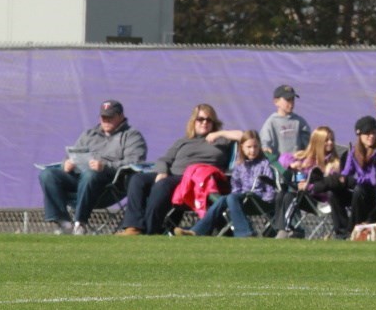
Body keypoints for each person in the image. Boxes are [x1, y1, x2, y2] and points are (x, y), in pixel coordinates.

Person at [116, 104, 236, 235]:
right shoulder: (183, 141)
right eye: (200, 119)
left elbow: (244, 136)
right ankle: (133, 227)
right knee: (137, 180)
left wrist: (219, 133)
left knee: (162, 185)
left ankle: (151, 231)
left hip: (194, 179)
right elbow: (165, 159)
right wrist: (162, 171)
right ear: (193, 121)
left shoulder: (222, 141)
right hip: (172, 174)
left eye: (209, 120)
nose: (204, 122)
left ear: (214, 122)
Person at [38, 99, 148, 235]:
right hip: (79, 180)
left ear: (120, 116)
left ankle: (80, 223)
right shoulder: (89, 134)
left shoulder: (132, 136)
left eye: (110, 117)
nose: (106, 121)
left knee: (91, 173)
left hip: (109, 186)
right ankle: (63, 223)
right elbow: (70, 155)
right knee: (48, 174)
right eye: (103, 117)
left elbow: (135, 162)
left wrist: (105, 166)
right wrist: (66, 163)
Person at [177, 130, 277, 237]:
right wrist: (240, 197)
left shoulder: (264, 164)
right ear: (242, 147)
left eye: (255, 147)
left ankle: (244, 232)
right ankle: (195, 231)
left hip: (260, 200)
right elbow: (236, 187)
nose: (252, 150)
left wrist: (265, 198)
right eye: (249, 147)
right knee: (223, 199)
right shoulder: (239, 166)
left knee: (231, 198)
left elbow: (270, 187)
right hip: (243, 199)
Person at [273, 126, 344, 239]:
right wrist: (293, 164)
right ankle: (286, 229)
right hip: (303, 196)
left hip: (320, 201)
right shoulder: (304, 157)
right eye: (327, 140)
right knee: (284, 195)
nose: (330, 143)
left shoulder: (333, 163)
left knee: (292, 196)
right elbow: (282, 158)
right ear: (317, 142)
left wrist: (309, 186)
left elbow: (329, 185)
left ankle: (284, 230)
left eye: (332, 140)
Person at [260, 85, 311, 157]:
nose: (291, 103)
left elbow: (308, 144)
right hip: (279, 166)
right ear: (276, 102)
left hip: (297, 165)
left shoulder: (299, 121)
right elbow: (264, 143)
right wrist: (266, 148)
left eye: (292, 99)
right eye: (288, 100)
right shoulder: (271, 122)